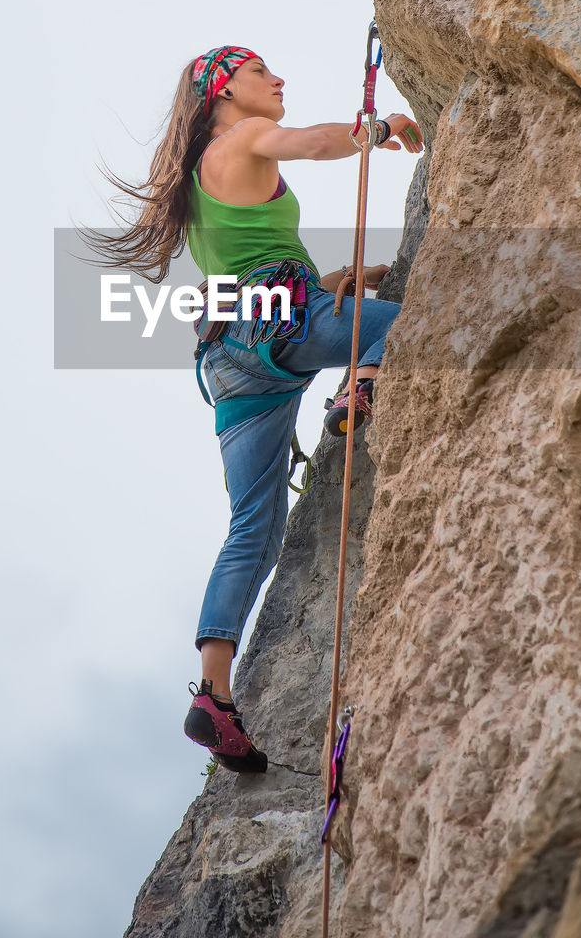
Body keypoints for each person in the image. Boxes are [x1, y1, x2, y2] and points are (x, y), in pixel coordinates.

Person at [84, 45, 423, 773]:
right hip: (277, 327)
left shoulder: (201, 171)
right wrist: (384, 126)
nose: (276, 79)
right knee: (410, 320)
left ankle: (214, 693)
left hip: (230, 357)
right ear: (223, 90)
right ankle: (359, 384)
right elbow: (313, 143)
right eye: (259, 70)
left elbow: (260, 275)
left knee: (252, 531)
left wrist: (346, 278)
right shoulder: (240, 137)